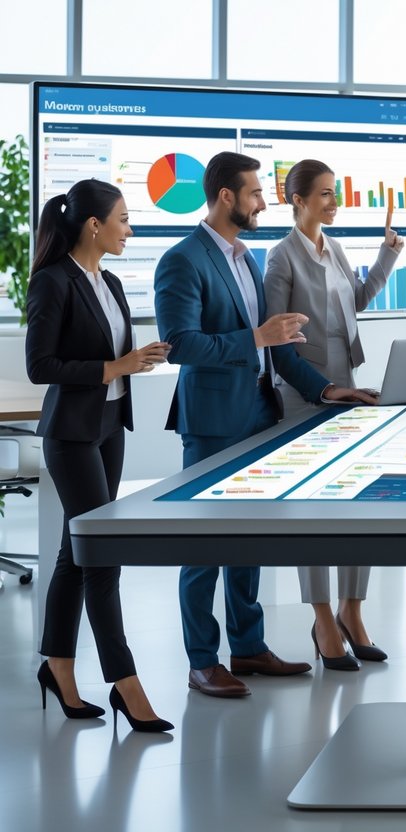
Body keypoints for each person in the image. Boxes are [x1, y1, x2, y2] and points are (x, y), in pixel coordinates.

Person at [154, 151, 377, 698]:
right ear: (226, 196)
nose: (262, 201)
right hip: (211, 419)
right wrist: (255, 339)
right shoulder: (182, 260)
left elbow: (277, 347)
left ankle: (248, 647)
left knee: (247, 538)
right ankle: (202, 660)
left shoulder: (247, 259)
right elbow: (179, 345)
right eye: (254, 192)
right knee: (204, 544)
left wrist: (327, 389)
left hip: (258, 411)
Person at [25, 179, 173, 733]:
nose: (129, 230)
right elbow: (42, 367)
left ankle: (57, 667)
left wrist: (140, 359)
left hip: (110, 426)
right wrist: (115, 368)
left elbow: (112, 354)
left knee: (75, 552)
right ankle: (126, 682)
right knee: (102, 554)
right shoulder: (53, 281)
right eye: (124, 220)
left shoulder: (108, 280)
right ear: (94, 225)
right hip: (72, 433)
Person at [264, 158, 401, 670]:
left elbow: (358, 301)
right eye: (323, 194)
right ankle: (322, 617)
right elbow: (278, 344)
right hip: (307, 393)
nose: (333, 201)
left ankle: (353, 609)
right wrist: (323, 389)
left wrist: (386, 255)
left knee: (355, 503)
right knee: (314, 511)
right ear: (297, 200)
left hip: (350, 388)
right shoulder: (282, 258)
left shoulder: (336, 248)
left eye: (334, 192)